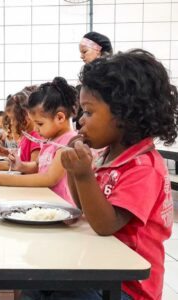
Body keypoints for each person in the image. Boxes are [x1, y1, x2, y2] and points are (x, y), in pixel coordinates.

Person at [53, 49, 176, 300]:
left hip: (129, 287)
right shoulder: (107, 155)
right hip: (103, 268)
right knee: (40, 286)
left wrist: (85, 175)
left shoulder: (143, 167)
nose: (80, 122)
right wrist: (74, 170)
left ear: (124, 114)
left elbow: (106, 224)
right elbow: (85, 206)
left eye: (88, 112)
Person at [0, 77, 78, 205]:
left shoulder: (68, 142)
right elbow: (37, 166)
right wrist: (21, 166)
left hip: (60, 206)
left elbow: (49, 178)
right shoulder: (49, 140)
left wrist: (4, 179)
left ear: (60, 117)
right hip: (45, 202)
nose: (36, 129)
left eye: (39, 124)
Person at [0, 87, 41, 171]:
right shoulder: (27, 136)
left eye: (12, 119)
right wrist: (5, 152)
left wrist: (7, 166)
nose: (11, 123)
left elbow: (34, 168)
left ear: (25, 116)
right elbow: (22, 157)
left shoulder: (35, 137)